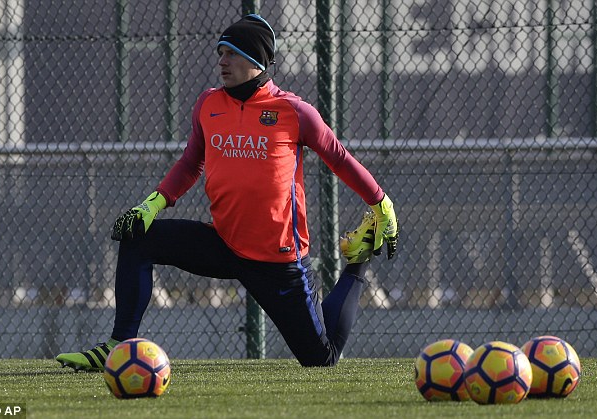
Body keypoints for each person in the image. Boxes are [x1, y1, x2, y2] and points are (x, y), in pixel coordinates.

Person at [56, 14, 398, 369]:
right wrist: (152, 205)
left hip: (277, 260)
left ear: (256, 60)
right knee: (138, 240)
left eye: (232, 53)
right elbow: (191, 163)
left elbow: (339, 158)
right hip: (224, 243)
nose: (222, 60)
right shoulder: (208, 104)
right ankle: (118, 347)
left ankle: (357, 261)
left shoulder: (294, 112)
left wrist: (381, 201)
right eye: (221, 52)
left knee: (321, 360)